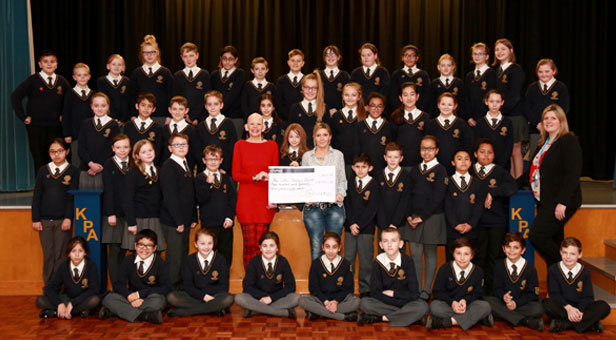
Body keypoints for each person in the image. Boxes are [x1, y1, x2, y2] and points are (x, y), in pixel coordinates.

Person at [527, 104, 581, 268]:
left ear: (561, 121)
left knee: (537, 236)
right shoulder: (542, 143)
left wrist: (563, 202)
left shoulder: (568, 140)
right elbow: (532, 171)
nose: (549, 121)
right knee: (556, 241)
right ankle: (559, 288)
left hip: (560, 202)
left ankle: (565, 268)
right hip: (545, 200)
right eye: (546, 118)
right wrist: (509, 184)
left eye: (553, 118)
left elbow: (573, 173)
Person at [11, 50, 71, 173]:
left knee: (56, 158)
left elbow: (70, 101)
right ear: (40, 64)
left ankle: (56, 187)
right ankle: (41, 188)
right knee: (39, 158)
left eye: (52, 61)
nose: (49, 64)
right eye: (45, 61)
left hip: (55, 127)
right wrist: (23, 116)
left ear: (56, 65)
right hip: (36, 126)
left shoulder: (62, 81)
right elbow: (15, 96)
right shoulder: (33, 80)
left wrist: (64, 116)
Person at [232, 113, 279, 268]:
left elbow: (277, 174)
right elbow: (236, 174)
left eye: (258, 124)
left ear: (264, 127)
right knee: (250, 244)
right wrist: (254, 177)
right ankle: (250, 281)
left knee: (264, 245)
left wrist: (268, 176)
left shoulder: (272, 145)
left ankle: (264, 279)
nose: (255, 127)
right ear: (246, 127)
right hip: (246, 201)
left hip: (265, 201)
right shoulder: (239, 145)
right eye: (251, 124)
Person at [32, 138, 80, 284]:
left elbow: (72, 197)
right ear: (49, 153)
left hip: (62, 221)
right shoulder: (43, 170)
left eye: (60, 151)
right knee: (48, 254)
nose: (56, 155)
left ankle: (59, 286)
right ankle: (48, 286)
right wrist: (36, 219)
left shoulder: (73, 171)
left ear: (67, 151)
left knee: (60, 255)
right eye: (53, 152)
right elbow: (37, 196)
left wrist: (68, 217)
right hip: (44, 221)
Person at [359, 227, 429, 326]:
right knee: (364, 303)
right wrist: (396, 303)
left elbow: (414, 293)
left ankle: (382, 318)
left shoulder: (407, 261)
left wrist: (394, 294)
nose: (389, 244)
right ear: (381, 245)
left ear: (401, 244)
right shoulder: (378, 262)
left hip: (403, 301)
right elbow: (375, 292)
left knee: (423, 306)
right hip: (386, 302)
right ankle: (410, 318)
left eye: (393, 240)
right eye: (385, 241)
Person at [406, 135, 448, 300]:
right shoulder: (415, 169)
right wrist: (409, 215)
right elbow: (409, 194)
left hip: (432, 217)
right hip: (414, 218)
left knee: (430, 254)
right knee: (415, 254)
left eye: (430, 148)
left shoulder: (440, 170)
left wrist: (422, 217)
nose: (427, 152)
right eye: (424, 148)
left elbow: (438, 197)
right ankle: (416, 289)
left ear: (436, 150)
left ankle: (426, 290)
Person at [472, 139, 517, 291]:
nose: (486, 155)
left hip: (496, 222)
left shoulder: (499, 171)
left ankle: (492, 291)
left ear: (494, 155)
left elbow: (512, 187)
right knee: (478, 256)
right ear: (475, 154)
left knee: (494, 257)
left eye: (490, 152)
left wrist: (493, 192)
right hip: (476, 222)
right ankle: (478, 290)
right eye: (482, 152)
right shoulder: (469, 171)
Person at [100, 229, 171, 324]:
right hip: (131, 298)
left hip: (150, 298)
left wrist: (139, 295)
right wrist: (129, 296)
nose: (144, 249)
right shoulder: (128, 260)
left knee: (159, 301)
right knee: (108, 298)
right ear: (135, 246)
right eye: (141, 245)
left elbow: (166, 288)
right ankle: (145, 315)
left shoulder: (160, 263)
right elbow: (118, 285)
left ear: (155, 248)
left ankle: (116, 312)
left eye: (149, 246)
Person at [543, 237, 610, 333]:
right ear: (560, 252)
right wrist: (569, 308)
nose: (568, 257)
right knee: (546, 304)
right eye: (565, 252)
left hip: (580, 308)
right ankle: (590, 324)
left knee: (604, 307)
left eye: (572, 254)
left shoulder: (585, 272)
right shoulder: (553, 269)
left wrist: (580, 311)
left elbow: (588, 297)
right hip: (563, 307)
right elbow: (554, 293)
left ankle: (564, 324)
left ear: (580, 255)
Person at [301, 122, 347, 260]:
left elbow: (342, 180)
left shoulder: (338, 155)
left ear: (330, 137)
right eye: (318, 135)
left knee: (334, 248)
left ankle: (335, 281)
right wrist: (305, 196)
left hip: (334, 207)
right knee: (316, 248)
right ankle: (317, 281)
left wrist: (341, 194)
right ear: (314, 137)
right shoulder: (307, 157)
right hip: (313, 208)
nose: (322, 138)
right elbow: (304, 182)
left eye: (325, 135)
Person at [427, 237, 493, 330]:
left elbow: (478, 293)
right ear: (453, 254)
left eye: (466, 254)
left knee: (485, 306)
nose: (462, 258)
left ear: (472, 255)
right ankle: (477, 319)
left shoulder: (478, 271)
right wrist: (452, 303)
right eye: (458, 253)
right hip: (448, 304)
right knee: (434, 307)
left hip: (467, 305)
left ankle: (449, 322)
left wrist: (465, 300)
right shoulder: (444, 269)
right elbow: (437, 292)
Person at [160, 133, 198, 289]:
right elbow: (170, 197)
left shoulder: (185, 163)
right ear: (170, 148)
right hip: (174, 221)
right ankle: (171, 289)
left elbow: (190, 194)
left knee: (183, 253)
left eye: (184, 144)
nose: (181, 147)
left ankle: (181, 287)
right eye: (177, 145)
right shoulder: (168, 167)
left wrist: (193, 217)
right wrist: (179, 221)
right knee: (175, 257)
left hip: (185, 219)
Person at [484, 232, 544, 331]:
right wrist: (504, 297)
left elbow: (533, 294)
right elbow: (496, 289)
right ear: (503, 249)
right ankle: (525, 321)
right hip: (503, 303)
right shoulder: (498, 266)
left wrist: (515, 303)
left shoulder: (530, 268)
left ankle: (502, 316)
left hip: (521, 304)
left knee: (539, 308)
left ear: (523, 250)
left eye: (516, 247)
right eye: (508, 247)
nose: (512, 250)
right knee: (486, 301)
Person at [167, 229, 234, 317]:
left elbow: (224, 286)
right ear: (196, 244)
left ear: (214, 243)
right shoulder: (189, 260)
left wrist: (207, 295)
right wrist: (202, 296)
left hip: (214, 296)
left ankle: (185, 312)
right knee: (172, 297)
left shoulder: (220, 259)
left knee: (229, 299)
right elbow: (187, 286)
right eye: (202, 243)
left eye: (210, 243)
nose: (206, 247)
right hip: (195, 295)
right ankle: (213, 309)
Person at [234, 231, 300, 318]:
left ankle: (255, 311)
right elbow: (247, 286)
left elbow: (291, 286)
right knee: (239, 298)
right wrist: (263, 297)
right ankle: (284, 313)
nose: (268, 249)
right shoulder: (254, 262)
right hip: (258, 299)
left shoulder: (283, 261)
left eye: (272, 246)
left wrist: (271, 298)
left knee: (297, 297)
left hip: (277, 298)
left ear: (277, 248)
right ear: (260, 248)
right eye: (264, 246)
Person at [299, 232, 359, 321]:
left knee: (356, 302)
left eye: (334, 247)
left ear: (339, 248)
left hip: (340, 301)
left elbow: (348, 289)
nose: (331, 250)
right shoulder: (316, 264)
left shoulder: (346, 264)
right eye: (327, 247)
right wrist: (326, 302)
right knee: (302, 300)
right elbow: (313, 288)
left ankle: (318, 312)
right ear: (322, 247)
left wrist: (335, 302)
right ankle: (343, 317)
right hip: (321, 300)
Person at [37, 236, 100, 319]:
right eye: (73, 251)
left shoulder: (91, 266)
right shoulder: (63, 267)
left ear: (85, 253)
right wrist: (59, 304)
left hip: (82, 299)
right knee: (40, 300)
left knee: (95, 300)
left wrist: (73, 303)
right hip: (66, 299)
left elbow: (94, 289)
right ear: (68, 253)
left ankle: (58, 313)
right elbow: (50, 287)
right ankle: (74, 312)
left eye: (80, 251)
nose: (77, 255)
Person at [344, 153, 380, 297]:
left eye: (363, 167)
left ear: (370, 168)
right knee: (349, 259)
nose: (360, 170)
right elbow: (347, 205)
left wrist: (359, 225)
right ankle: (348, 289)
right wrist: (351, 223)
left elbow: (372, 209)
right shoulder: (349, 183)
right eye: (357, 167)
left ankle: (365, 290)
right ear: (353, 167)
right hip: (349, 229)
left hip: (366, 230)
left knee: (366, 261)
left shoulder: (374, 184)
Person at [195, 145, 237, 266]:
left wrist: (229, 217)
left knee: (226, 256)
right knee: (208, 256)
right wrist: (208, 184)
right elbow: (200, 199)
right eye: (209, 159)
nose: (213, 162)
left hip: (225, 224)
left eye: (216, 159)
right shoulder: (200, 179)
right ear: (204, 160)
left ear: (221, 160)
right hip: (209, 225)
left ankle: (223, 282)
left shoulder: (226, 179)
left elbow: (232, 199)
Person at [121, 140, 165, 252]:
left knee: (156, 253)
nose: (149, 153)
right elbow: (127, 199)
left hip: (156, 219)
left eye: (150, 150)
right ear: (137, 155)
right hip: (138, 220)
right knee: (139, 253)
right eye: (144, 152)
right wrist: (131, 222)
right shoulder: (133, 173)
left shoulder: (160, 171)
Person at [444, 149, 487, 260]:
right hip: (452, 230)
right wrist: (455, 224)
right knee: (452, 261)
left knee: (472, 261)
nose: (463, 161)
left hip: (471, 230)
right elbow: (447, 206)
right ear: (453, 162)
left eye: (467, 159)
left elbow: (478, 207)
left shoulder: (478, 183)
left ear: (471, 162)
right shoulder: (447, 182)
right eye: (459, 158)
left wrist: (471, 224)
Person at [492, 39, 526, 178]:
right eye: (497, 49)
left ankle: (518, 181)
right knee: (508, 151)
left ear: (511, 51)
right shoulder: (498, 70)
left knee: (515, 150)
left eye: (503, 49)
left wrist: (500, 111)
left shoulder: (516, 69)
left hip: (515, 115)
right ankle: (512, 180)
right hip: (504, 115)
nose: (499, 52)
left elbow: (515, 95)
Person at [102, 134, 131, 284]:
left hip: (129, 215)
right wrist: (110, 213)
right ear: (113, 148)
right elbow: (108, 190)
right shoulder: (109, 164)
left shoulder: (133, 163)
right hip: (114, 215)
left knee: (124, 250)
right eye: (118, 147)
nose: (122, 150)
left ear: (130, 148)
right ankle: (115, 286)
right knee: (114, 250)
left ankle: (123, 284)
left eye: (125, 147)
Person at [524, 59, 570, 149]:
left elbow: (564, 108)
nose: (543, 74)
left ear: (554, 71)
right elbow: (526, 108)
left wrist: (551, 122)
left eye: (547, 71)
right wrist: (538, 123)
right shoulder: (532, 88)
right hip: (536, 129)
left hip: (555, 129)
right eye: (540, 72)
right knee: (535, 156)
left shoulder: (561, 87)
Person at [128, 35, 174, 125]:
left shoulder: (165, 72)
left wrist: (169, 115)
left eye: (152, 52)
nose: (149, 55)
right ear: (142, 54)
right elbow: (131, 96)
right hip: (140, 117)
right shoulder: (137, 73)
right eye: (146, 52)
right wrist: (133, 114)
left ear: (157, 53)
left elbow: (171, 95)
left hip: (161, 117)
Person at [78, 92, 119, 190]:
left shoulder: (113, 124)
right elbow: (81, 147)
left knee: (104, 199)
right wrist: (91, 164)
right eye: (96, 106)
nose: (99, 108)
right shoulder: (86, 123)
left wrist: (99, 166)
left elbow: (113, 148)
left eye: (103, 106)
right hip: (86, 168)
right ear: (91, 106)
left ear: (108, 106)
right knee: (87, 201)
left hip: (105, 169)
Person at [425, 93, 472, 175]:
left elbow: (467, 146)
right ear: (438, 105)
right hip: (436, 167)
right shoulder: (431, 124)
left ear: (455, 106)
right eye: (443, 104)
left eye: (449, 104)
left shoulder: (461, 124)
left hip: (456, 168)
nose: (446, 107)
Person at [389, 82, 430, 169]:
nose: (409, 98)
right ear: (400, 98)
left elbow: (428, 142)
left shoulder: (425, 117)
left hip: (420, 164)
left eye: (412, 94)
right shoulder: (395, 116)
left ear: (417, 96)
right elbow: (392, 140)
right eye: (405, 95)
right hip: (400, 164)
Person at [376, 142, 411, 242]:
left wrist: (395, 223)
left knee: (399, 252)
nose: (392, 160)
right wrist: (383, 224)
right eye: (389, 156)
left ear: (401, 158)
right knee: (382, 252)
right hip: (382, 224)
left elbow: (405, 201)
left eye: (396, 157)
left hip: (399, 225)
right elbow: (378, 201)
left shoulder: (406, 176)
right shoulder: (378, 175)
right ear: (385, 157)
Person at [197, 90, 238, 173]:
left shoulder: (229, 124)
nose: (212, 107)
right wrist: (204, 167)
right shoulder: (201, 126)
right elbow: (197, 149)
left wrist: (225, 167)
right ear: (205, 106)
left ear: (221, 105)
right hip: (205, 170)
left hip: (224, 170)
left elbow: (232, 147)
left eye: (216, 104)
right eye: (209, 104)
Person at [210, 45, 246, 138]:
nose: (227, 62)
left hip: (235, 116)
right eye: (225, 58)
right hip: (216, 115)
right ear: (221, 59)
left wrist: (219, 109)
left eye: (231, 59)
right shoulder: (214, 75)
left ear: (236, 60)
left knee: (234, 145)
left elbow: (233, 95)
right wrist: (216, 112)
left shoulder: (239, 73)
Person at [62, 62, 93, 167]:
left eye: (85, 75)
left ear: (89, 77)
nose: (82, 78)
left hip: (91, 134)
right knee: (76, 162)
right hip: (76, 135)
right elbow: (66, 115)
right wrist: (67, 133)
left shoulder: (94, 94)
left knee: (91, 159)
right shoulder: (70, 94)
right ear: (74, 77)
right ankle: (76, 183)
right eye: (79, 75)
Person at [288, 71, 329, 147]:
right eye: (307, 87)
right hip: (300, 150)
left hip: (318, 151)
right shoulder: (295, 108)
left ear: (318, 89)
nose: (310, 91)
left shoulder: (324, 108)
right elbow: (290, 133)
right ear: (302, 87)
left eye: (314, 88)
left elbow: (327, 133)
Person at [173, 42, 210, 125]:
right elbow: (176, 98)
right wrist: (184, 115)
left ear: (197, 55)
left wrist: (195, 117)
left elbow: (206, 98)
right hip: (181, 118)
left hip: (200, 119)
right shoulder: (177, 76)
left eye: (191, 56)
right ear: (181, 57)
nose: (188, 59)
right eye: (185, 56)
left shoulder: (204, 75)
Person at [330, 82, 365, 169]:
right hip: (340, 162)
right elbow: (332, 139)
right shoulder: (336, 116)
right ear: (342, 96)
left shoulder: (365, 116)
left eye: (353, 95)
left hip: (360, 164)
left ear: (359, 97)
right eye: (346, 95)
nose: (350, 98)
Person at [475, 90, 513, 169]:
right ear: (486, 102)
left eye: (498, 101)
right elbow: (477, 144)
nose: (494, 104)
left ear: (502, 102)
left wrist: (501, 164)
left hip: (503, 164)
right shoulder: (480, 122)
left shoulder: (507, 122)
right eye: (491, 101)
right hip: (484, 163)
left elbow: (509, 145)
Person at [357, 92, 395, 173]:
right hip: (364, 170)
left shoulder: (389, 126)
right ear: (367, 107)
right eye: (373, 106)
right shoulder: (360, 126)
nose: (376, 109)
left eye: (379, 106)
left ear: (383, 108)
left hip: (383, 169)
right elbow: (356, 150)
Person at [463, 42, 497, 130]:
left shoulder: (491, 73)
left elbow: (492, 97)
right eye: (475, 54)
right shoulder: (469, 75)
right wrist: (469, 117)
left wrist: (484, 117)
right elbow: (466, 98)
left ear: (487, 56)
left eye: (480, 54)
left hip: (486, 117)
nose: (477, 56)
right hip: (471, 119)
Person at [161, 96, 201, 169]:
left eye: (181, 109)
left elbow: (195, 153)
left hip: (185, 170)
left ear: (186, 110)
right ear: (169, 110)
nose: (177, 112)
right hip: (165, 170)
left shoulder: (192, 130)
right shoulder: (163, 130)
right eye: (174, 109)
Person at [123, 93, 163, 165]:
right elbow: (125, 147)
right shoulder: (128, 126)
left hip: (149, 166)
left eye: (149, 106)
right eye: (143, 105)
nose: (146, 109)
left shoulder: (158, 128)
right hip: (131, 165)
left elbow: (158, 151)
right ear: (137, 106)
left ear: (153, 109)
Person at [389, 45, 431, 112]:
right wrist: (400, 110)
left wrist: (417, 111)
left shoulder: (423, 75)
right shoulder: (396, 74)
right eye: (406, 55)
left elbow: (426, 96)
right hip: (400, 112)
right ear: (402, 58)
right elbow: (393, 95)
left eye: (412, 55)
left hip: (419, 112)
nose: (409, 58)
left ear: (417, 58)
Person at [428, 54, 464, 118]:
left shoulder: (459, 83)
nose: (446, 68)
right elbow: (431, 105)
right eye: (443, 65)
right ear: (438, 67)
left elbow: (462, 103)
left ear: (453, 67)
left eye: (449, 65)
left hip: (455, 118)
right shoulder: (434, 83)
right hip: (438, 118)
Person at [96, 54, 130, 123]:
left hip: (124, 121)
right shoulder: (101, 81)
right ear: (108, 66)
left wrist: (123, 119)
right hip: (107, 119)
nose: (116, 67)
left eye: (119, 64)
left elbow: (127, 102)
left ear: (123, 67)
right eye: (113, 64)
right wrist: (111, 118)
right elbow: (103, 101)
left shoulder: (127, 81)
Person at [274, 49, 305, 121]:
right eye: (293, 60)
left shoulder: (307, 80)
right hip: (286, 119)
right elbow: (278, 102)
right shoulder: (281, 81)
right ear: (288, 62)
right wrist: (288, 116)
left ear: (303, 63)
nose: (295, 63)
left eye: (298, 61)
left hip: (304, 119)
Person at [319, 45, 350, 113]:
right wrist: (326, 110)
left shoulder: (345, 76)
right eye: (327, 55)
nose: (330, 57)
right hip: (321, 113)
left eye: (333, 55)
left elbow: (348, 97)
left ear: (338, 57)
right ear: (324, 58)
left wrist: (339, 110)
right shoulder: (318, 75)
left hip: (340, 113)